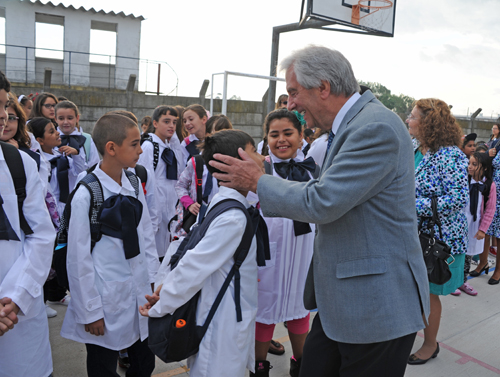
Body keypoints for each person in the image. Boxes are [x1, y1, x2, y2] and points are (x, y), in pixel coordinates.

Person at [208, 45, 429, 377]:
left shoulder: (374, 127)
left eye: (294, 92)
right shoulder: (356, 124)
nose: (291, 104)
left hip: (375, 308)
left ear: (323, 87)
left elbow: (323, 201)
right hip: (345, 302)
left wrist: (259, 181)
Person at [139, 129, 265, 377]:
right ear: (235, 164)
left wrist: (164, 289)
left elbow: (190, 255)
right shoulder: (232, 218)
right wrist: (162, 304)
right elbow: (193, 266)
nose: (261, 158)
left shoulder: (221, 203)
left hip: (222, 314)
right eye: (254, 152)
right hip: (222, 322)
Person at [60, 113, 160, 377]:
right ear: (112, 148)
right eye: (135, 144)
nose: (141, 150)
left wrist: (152, 282)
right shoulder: (87, 193)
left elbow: (146, 236)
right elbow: (78, 259)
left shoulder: (135, 182)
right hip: (105, 299)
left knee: (143, 363)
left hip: (139, 295)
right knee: (103, 365)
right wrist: (90, 311)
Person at [0, 71, 56, 377]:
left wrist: (15, 298)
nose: (3, 115)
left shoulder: (19, 163)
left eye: (5, 104)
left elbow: (42, 235)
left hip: (18, 318)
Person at [252, 109, 315, 377]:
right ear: (266, 139)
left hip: (302, 253)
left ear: (301, 136)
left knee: (299, 310)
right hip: (267, 254)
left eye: (288, 133)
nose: (281, 140)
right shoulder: (258, 170)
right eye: (274, 134)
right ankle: (259, 366)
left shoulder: (314, 169)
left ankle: (300, 363)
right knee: (263, 311)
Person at [408, 98, 469, 364]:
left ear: (428, 122)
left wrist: (411, 204)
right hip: (410, 233)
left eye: (412, 116)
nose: (408, 120)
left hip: (436, 239)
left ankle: (430, 344)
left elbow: (457, 198)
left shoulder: (450, 154)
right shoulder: (413, 148)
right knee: (411, 289)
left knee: (428, 292)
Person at [138, 105, 184, 260]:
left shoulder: (169, 146)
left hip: (169, 211)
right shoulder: (149, 147)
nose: (171, 126)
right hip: (155, 210)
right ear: (155, 123)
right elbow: (145, 184)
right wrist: (153, 215)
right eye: (166, 121)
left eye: (174, 122)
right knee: (153, 255)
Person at [453, 151, 495, 295]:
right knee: (454, 253)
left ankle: (463, 281)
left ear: (484, 168)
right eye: (469, 163)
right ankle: (451, 281)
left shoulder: (489, 185)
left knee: (468, 255)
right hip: (458, 223)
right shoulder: (462, 179)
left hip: (474, 224)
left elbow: (490, 209)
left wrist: (483, 229)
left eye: (474, 164)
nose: (469, 167)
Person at [55, 100, 100, 168]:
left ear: (77, 118)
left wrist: (76, 155)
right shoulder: (50, 138)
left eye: (70, 118)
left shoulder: (86, 139)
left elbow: (94, 166)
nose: (66, 122)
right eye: (61, 118)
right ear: (55, 119)